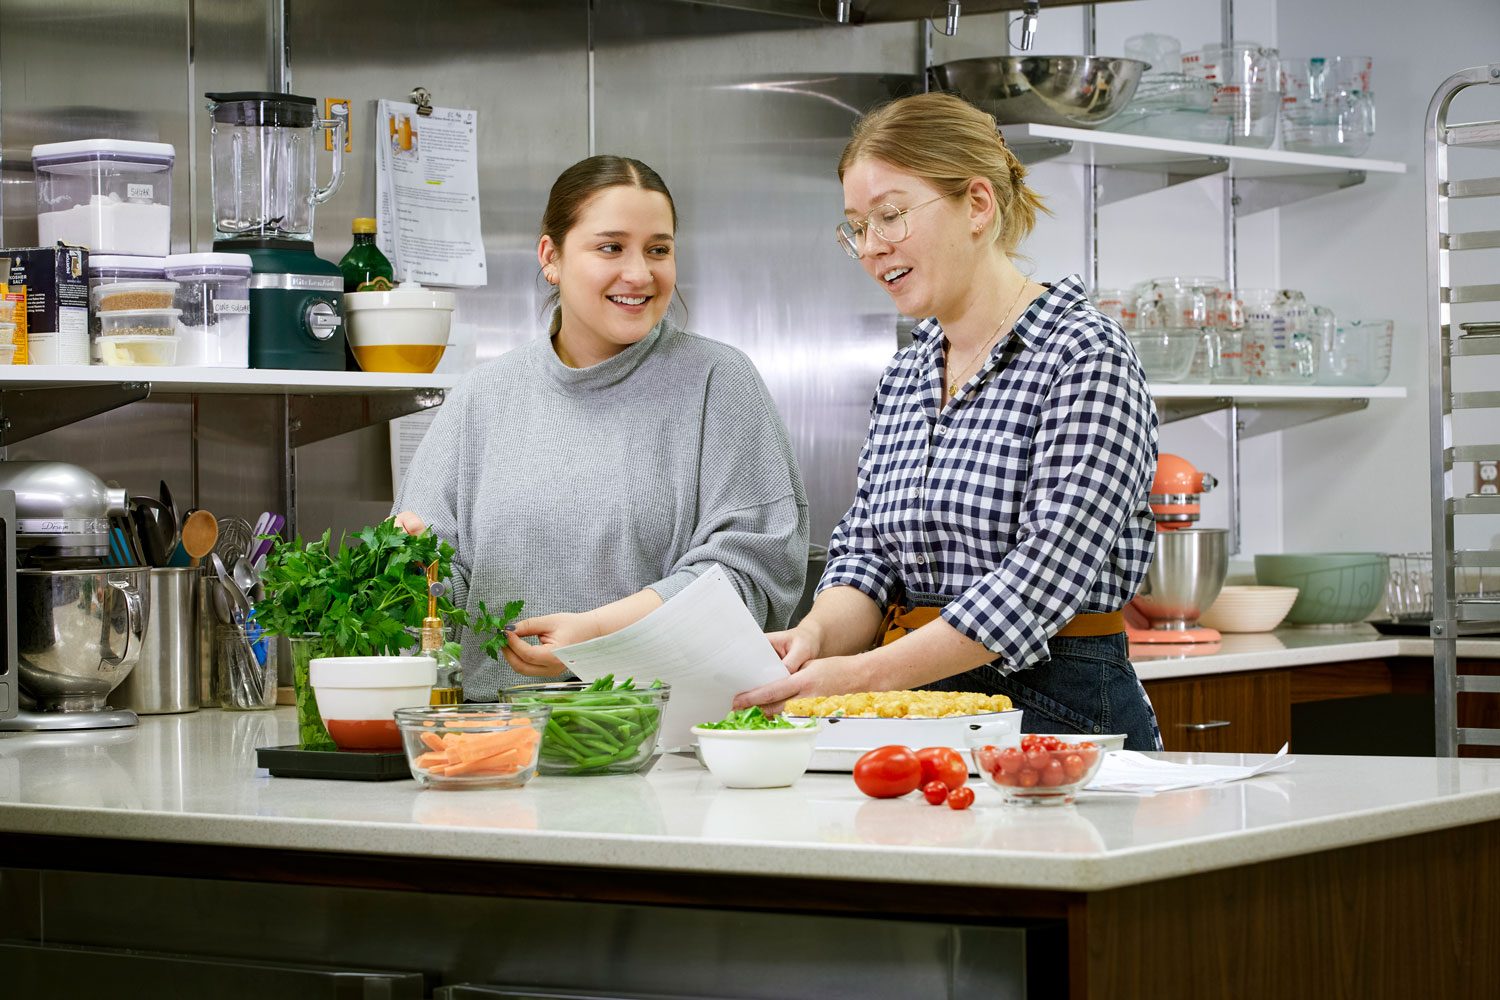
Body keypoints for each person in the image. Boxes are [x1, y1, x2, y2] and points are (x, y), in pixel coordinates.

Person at [734, 93, 1163, 750]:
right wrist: (814, 638)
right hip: (921, 713)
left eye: (892, 216)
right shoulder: (908, 373)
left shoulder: (1084, 354)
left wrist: (860, 676)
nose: (873, 247)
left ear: (979, 206)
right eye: (857, 226)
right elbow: (869, 552)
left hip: (1064, 718)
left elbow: (1039, 580)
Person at [395, 154, 809, 699]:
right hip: (496, 739)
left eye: (658, 249)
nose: (639, 274)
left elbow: (752, 572)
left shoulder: (718, 382)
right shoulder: (484, 396)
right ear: (552, 257)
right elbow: (424, 585)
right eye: (610, 247)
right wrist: (413, 566)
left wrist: (594, 636)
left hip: (658, 735)